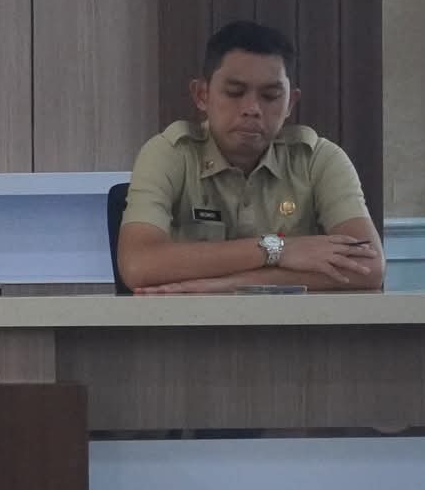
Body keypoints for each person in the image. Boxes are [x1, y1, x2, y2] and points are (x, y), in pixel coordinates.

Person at [117, 20, 384, 294]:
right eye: (235, 93)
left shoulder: (319, 159)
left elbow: (369, 268)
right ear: (202, 95)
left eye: (270, 96)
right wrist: (280, 249)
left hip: (294, 321)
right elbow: (138, 265)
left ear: (290, 103)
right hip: (186, 321)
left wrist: (228, 285)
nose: (252, 108)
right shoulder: (170, 153)